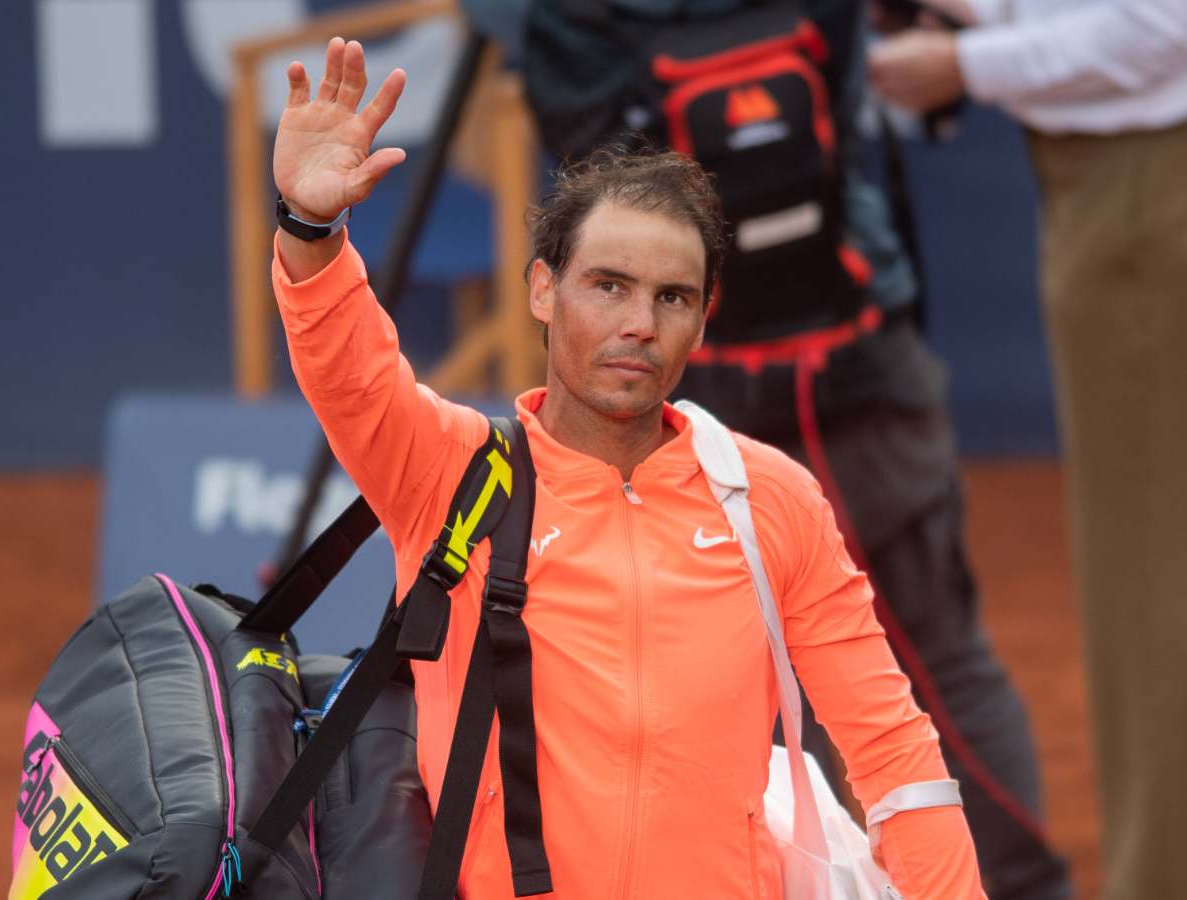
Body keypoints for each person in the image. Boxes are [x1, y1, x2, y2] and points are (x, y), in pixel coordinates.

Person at [271, 36, 984, 899]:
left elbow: (891, 749)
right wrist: (311, 231)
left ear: (702, 317)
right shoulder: (447, 468)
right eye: (608, 285)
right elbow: (347, 365)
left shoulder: (772, 499)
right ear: (544, 289)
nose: (640, 323)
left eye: (671, 297)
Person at [520, 1, 1070, 896]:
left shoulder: (569, 20)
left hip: (704, 374)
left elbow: (581, 146)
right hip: (829, 347)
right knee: (931, 662)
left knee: (781, 686)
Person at [869, 3, 1187, 896]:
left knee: (1152, 574)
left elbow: (1160, 26)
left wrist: (971, 65)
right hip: (1108, 184)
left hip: (1143, 179)